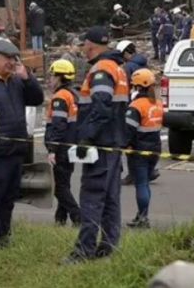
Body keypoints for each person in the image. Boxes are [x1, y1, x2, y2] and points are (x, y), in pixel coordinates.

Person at [64, 26, 128, 263]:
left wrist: (87, 137)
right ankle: (108, 247)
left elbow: (102, 107)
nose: (83, 49)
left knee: (91, 196)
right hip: (113, 143)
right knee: (110, 197)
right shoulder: (117, 68)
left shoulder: (101, 70)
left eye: (84, 45)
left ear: (90, 45)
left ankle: (84, 251)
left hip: (101, 144)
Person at [0, 40, 44, 247]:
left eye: (14, 58)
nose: (12, 63)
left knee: (10, 196)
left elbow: (36, 99)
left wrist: (28, 78)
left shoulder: (15, 80)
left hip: (17, 148)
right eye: (8, 58)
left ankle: (4, 234)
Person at [116, 40, 159, 186]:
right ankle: (149, 170)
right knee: (147, 138)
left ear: (127, 53)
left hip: (134, 105)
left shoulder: (129, 67)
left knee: (130, 140)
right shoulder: (143, 63)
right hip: (148, 105)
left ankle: (133, 174)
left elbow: (126, 86)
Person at [45, 59, 81, 227]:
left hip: (61, 148)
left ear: (59, 77)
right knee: (64, 184)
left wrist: (52, 148)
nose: (50, 80)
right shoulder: (73, 94)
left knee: (59, 188)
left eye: (52, 76)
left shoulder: (60, 97)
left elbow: (58, 125)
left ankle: (77, 216)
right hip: (70, 145)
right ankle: (60, 220)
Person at [125, 69, 163, 229]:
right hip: (155, 149)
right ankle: (141, 215)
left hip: (139, 150)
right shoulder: (157, 104)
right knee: (145, 183)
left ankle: (143, 218)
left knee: (141, 185)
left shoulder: (135, 106)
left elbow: (128, 131)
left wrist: (125, 145)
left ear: (137, 86)